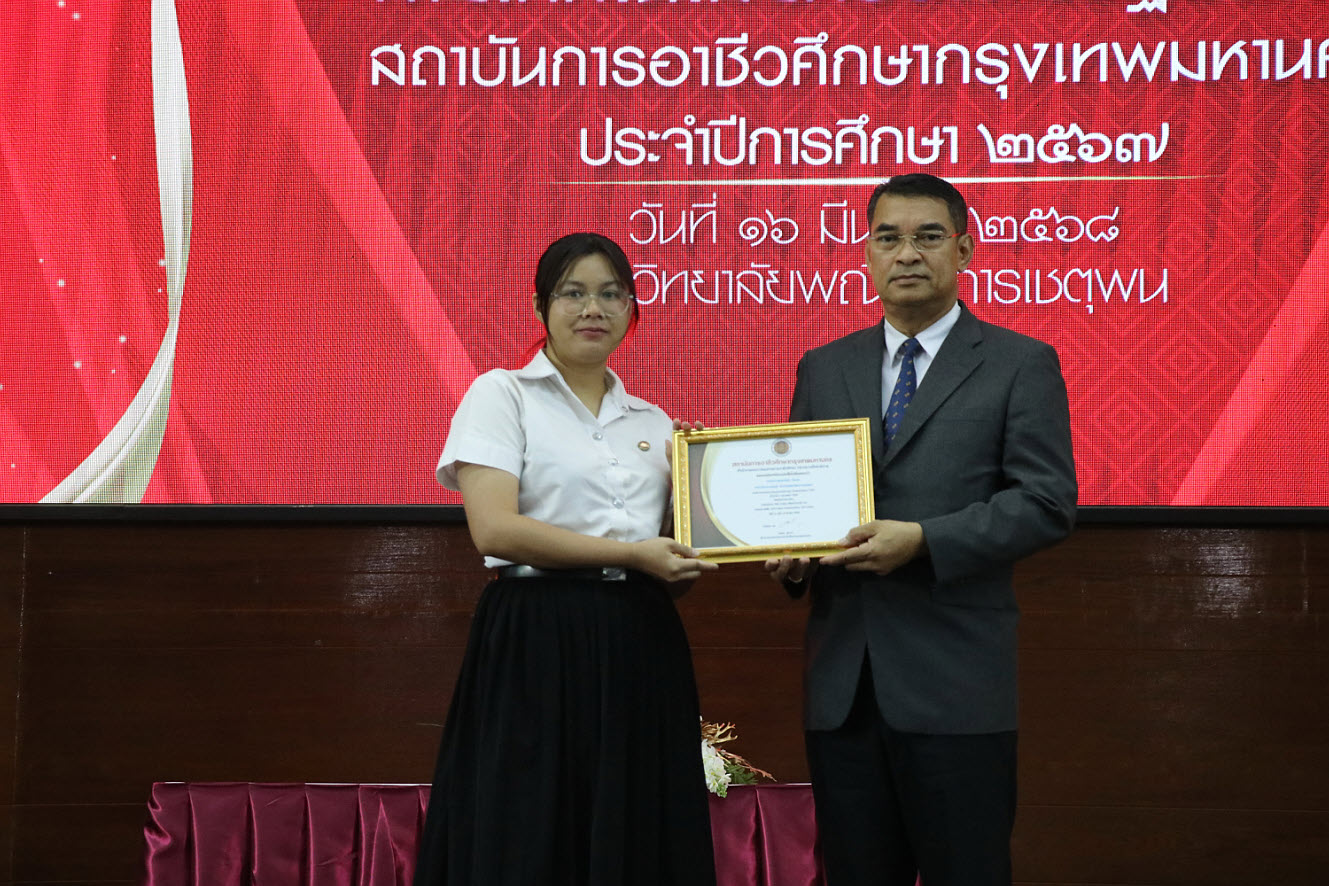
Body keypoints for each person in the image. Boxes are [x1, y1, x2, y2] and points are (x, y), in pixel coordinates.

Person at [765, 174, 1077, 886]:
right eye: (888, 238)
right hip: (844, 689)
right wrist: (792, 554)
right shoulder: (823, 367)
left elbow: (1046, 501)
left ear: (963, 250)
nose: (906, 253)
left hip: (956, 686)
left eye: (927, 237)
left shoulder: (1019, 363)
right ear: (867, 253)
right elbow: (800, 501)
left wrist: (924, 541)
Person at [413, 232, 719, 886]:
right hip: (535, 636)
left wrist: (693, 504)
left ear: (631, 309)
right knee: (530, 822)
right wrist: (633, 553)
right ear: (539, 307)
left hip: (639, 638)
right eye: (573, 293)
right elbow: (494, 529)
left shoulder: (655, 423)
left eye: (611, 294)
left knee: (636, 822)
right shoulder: (501, 395)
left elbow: (669, 568)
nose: (593, 309)